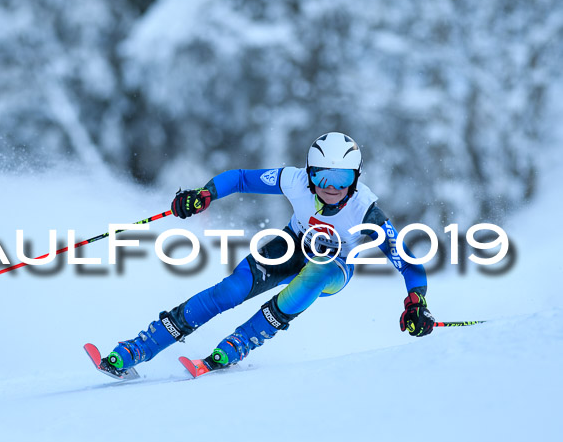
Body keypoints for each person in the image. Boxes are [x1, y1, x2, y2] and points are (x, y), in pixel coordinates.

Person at [100, 132, 435, 377]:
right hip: (290, 246)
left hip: (335, 266)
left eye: (342, 178)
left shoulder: (366, 210)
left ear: (356, 178)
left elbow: (406, 259)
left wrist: (416, 300)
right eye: (322, 176)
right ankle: (140, 346)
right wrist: (206, 193)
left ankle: (239, 343)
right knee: (231, 290)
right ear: (309, 173)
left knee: (314, 273)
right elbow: (242, 179)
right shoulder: (295, 181)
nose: (331, 187)